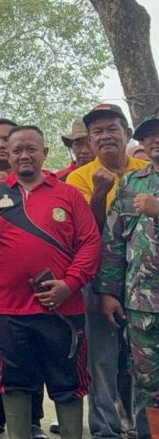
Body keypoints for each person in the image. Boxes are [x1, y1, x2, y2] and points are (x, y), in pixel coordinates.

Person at [0, 125, 100, 439]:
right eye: (17, 150)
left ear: (44, 153)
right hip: (8, 311)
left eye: (31, 148)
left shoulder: (68, 193)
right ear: (8, 155)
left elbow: (90, 243)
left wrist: (69, 285)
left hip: (62, 311)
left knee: (68, 383)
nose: (24, 155)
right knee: (13, 382)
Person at [66, 103, 147, 439]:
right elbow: (86, 232)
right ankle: (106, 429)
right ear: (90, 140)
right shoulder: (79, 178)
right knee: (102, 357)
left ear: (127, 134)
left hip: (146, 278)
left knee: (145, 357)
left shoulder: (147, 170)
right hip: (99, 280)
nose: (105, 136)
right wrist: (100, 191)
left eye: (112, 128)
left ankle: (144, 428)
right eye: (97, 131)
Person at [0, 117, 46, 438]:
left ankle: (32, 420)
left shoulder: (38, 183)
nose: (1, 145)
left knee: (33, 358)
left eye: (8, 139)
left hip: (32, 292)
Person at [94, 107, 159, 439]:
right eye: (149, 135)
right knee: (147, 380)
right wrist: (107, 292)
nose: (156, 140)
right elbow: (114, 241)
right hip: (142, 304)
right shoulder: (133, 182)